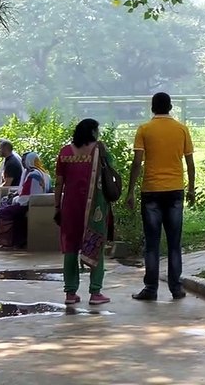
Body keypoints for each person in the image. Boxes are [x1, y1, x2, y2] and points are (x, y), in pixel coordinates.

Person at [126, 92, 195, 301]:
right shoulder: (181, 129)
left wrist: (130, 191)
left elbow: (137, 163)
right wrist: (191, 189)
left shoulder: (144, 129)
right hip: (175, 191)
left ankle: (150, 289)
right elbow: (190, 164)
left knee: (152, 243)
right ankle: (176, 288)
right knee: (174, 242)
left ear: (152, 108)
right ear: (171, 107)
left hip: (151, 192)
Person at [55, 119, 111, 306]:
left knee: (70, 248)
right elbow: (109, 177)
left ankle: (70, 293)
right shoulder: (100, 151)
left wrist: (57, 207)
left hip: (70, 207)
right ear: (93, 132)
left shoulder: (65, 152)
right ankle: (95, 292)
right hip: (95, 207)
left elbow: (59, 183)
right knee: (96, 244)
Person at [0, 152, 53, 249]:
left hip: (28, 203)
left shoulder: (33, 175)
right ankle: (16, 242)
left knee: (5, 212)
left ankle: (6, 242)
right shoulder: (44, 173)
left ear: (30, 161)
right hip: (34, 202)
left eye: (24, 160)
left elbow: (27, 195)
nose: (23, 162)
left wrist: (16, 200)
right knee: (7, 206)